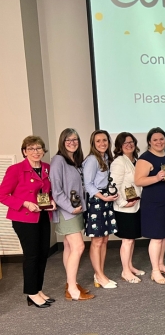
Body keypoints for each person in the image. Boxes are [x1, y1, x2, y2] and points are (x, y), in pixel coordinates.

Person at [0, 136, 56, 308]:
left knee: (42, 254)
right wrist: (24, 203)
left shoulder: (47, 168)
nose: (36, 152)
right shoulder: (15, 169)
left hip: (43, 216)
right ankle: (31, 293)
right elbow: (3, 195)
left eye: (39, 148)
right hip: (24, 219)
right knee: (31, 256)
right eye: (31, 148)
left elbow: (49, 191)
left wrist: (52, 201)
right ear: (24, 151)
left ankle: (38, 289)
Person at [50, 129, 94, 300]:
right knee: (79, 247)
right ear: (62, 141)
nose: (72, 142)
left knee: (69, 246)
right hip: (67, 211)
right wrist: (70, 207)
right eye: (68, 139)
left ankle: (71, 284)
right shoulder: (58, 160)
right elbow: (56, 190)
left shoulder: (74, 161)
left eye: (75, 139)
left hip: (76, 210)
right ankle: (72, 290)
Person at [134, 127, 165, 285]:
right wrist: (156, 177)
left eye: (162, 139)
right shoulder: (145, 158)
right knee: (157, 237)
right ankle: (155, 271)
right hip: (153, 204)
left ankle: (160, 264)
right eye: (155, 140)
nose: (159, 142)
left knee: (164, 236)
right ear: (149, 142)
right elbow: (138, 181)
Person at [83, 130, 118, 289]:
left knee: (104, 239)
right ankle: (100, 275)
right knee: (97, 241)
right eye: (98, 141)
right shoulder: (91, 160)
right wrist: (103, 197)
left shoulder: (106, 158)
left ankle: (99, 274)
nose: (102, 143)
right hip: (96, 201)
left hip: (106, 200)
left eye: (105, 140)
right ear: (93, 143)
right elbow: (88, 184)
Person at [111, 132, 144, 283]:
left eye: (131, 142)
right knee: (127, 241)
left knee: (132, 239)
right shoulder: (119, 162)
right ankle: (125, 271)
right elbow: (113, 186)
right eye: (125, 143)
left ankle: (130, 266)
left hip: (136, 205)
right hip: (124, 208)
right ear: (119, 146)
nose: (129, 145)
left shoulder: (136, 161)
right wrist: (123, 203)